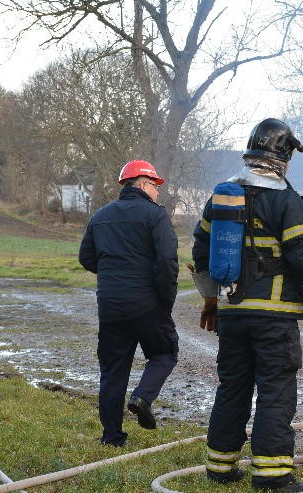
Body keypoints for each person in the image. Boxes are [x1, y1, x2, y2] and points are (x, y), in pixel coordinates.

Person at [190, 118, 303, 492]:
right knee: (275, 389)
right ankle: (273, 477)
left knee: (233, 387)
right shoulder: (285, 200)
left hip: (232, 313)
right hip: (274, 317)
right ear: (283, 158)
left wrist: (211, 301)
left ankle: (220, 468)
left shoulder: (222, 196)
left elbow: (200, 251)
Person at [79, 159, 179, 447]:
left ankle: (112, 437)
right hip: (147, 304)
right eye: (156, 186)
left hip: (110, 305)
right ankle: (143, 397)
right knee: (165, 353)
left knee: (113, 370)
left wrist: (114, 273)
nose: (159, 192)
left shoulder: (101, 216)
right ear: (144, 184)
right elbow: (167, 262)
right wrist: (165, 300)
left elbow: (86, 258)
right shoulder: (156, 216)